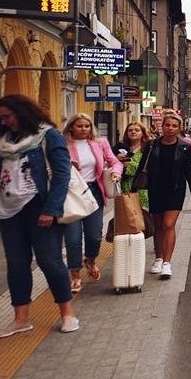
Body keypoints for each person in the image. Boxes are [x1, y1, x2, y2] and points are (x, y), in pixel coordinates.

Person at [0, 95, 78, 337]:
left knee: (50, 261)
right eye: (0, 119)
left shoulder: (48, 136)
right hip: (7, 209)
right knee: (16, 264)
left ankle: (67, 314)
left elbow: (61, 174)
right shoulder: (5, 141)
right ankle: (20, 319)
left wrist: (51, 209)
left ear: (22, 112)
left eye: (8, 116)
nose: (4, 122)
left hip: (39, 207)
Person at [61, 114, 122, 292]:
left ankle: (91, 260)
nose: (84, 129)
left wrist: (116, 172)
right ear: (71, 127)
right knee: (73, 238)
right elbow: (51, 165)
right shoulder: (63, 144)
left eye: (87, 126)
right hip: (71, 194)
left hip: (94, 191)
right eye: (79, 126)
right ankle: (74, 275)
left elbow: (115, 161)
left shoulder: (100, 142)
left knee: (95, 235)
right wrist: (67, 165)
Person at [141, 112, 191, 279]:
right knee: (158, 225)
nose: (170, 128)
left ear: (179, 128)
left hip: (175, 190)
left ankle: (167, 263)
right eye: (168, 125)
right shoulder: (152, 145)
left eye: (174, 126)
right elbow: (142, 168)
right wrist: (133, 189)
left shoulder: (183, 146)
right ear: (162, 126)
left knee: (168, 225)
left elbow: (189, 171)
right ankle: (158, 259)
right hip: (155, 189)